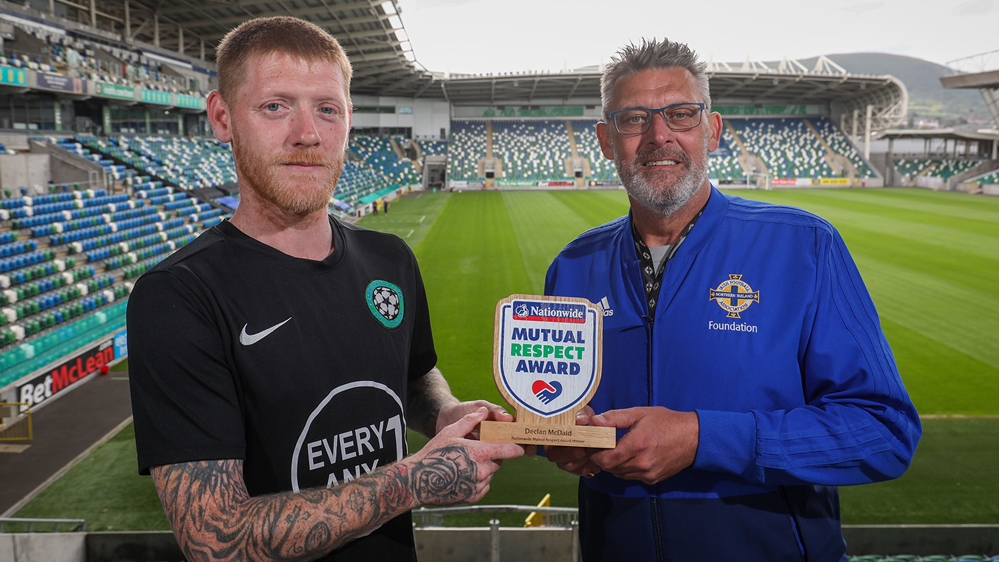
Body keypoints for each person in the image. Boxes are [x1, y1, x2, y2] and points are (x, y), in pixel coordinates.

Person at [127, 17, 525, 562]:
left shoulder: (391, 260)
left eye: (327, 108)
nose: (307, 133)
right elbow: (214, 539)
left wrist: (444, 414)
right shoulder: (177, 297)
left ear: (348, 119)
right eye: (275, 106)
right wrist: (411, 482)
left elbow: (411, 376)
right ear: (222, 116)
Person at [543, 38, 921, 561]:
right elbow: (560, 408)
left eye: (680, 115)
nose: (659, 136)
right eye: (634, 120)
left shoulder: (804, 245)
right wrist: (560, 439)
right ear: (607, 140)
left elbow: (883, 432)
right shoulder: (572, 266)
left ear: (712, 131)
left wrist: (704, 438)